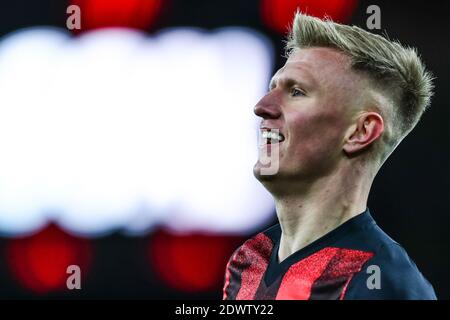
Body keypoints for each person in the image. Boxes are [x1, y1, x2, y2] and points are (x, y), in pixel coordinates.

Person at [222, 12, 436, 300]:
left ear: (360, 132)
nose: (262, 106)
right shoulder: (249, 261)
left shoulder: (384, 284)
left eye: (297, 92)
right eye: (273, 88)